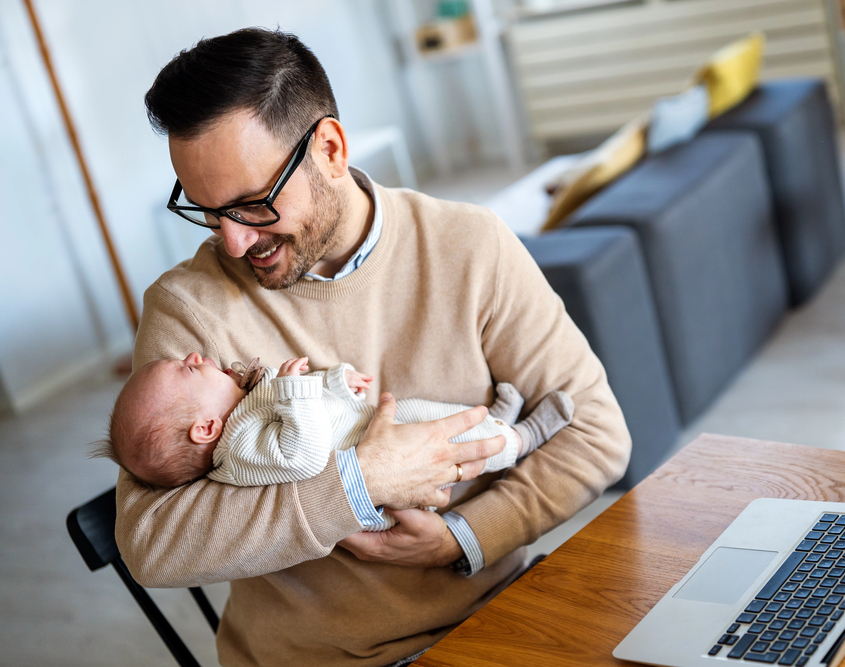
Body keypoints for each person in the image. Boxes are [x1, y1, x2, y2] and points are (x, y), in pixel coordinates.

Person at [116, 27, 630, 667]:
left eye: (251, 205)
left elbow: (597, 433)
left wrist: (460, 538)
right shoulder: (189, 307)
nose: (234, 245)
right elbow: (152, 542)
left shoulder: (469, 245)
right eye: (206, 211)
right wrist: (357, 484)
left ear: (328, 149)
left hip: (501, 617)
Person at [105, 353, 573, 509]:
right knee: (459, 447)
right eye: (187, 370)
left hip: (371, 425)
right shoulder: (240, 452)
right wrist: (295, 390)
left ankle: (496, 418)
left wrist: (334, 382)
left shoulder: (246, 407)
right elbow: (306, 453)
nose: (195, 356)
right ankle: (525, 437)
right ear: (206, 428)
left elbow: (315, 405)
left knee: (434, 413)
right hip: (388, 463)